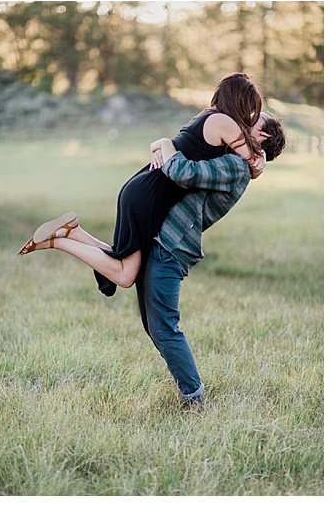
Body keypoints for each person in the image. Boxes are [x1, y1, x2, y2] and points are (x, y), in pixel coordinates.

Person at [19, 110, 285, 407]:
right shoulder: (235, 158)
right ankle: (67, 236)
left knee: (160, 322)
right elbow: (196, 144)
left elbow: (185, 171)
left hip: (173, 244)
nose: (243, 123)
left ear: (263, 136)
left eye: (254, 121)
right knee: (143, 303)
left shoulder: (236, 166)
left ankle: (194, 398)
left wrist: (165, 146)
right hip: (163, 234)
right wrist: (162, 142)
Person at [19, 73, 268, 296]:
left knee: (123, 261)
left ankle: (73, 232)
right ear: (241, 103)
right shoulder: (225, 123)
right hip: (149, 196)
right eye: (251, 110)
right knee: (126, 275)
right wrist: (263, 158)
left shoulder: (205, 117)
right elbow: (251, 160)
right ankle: (58, 241)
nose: (249, 118)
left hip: (142, 188)